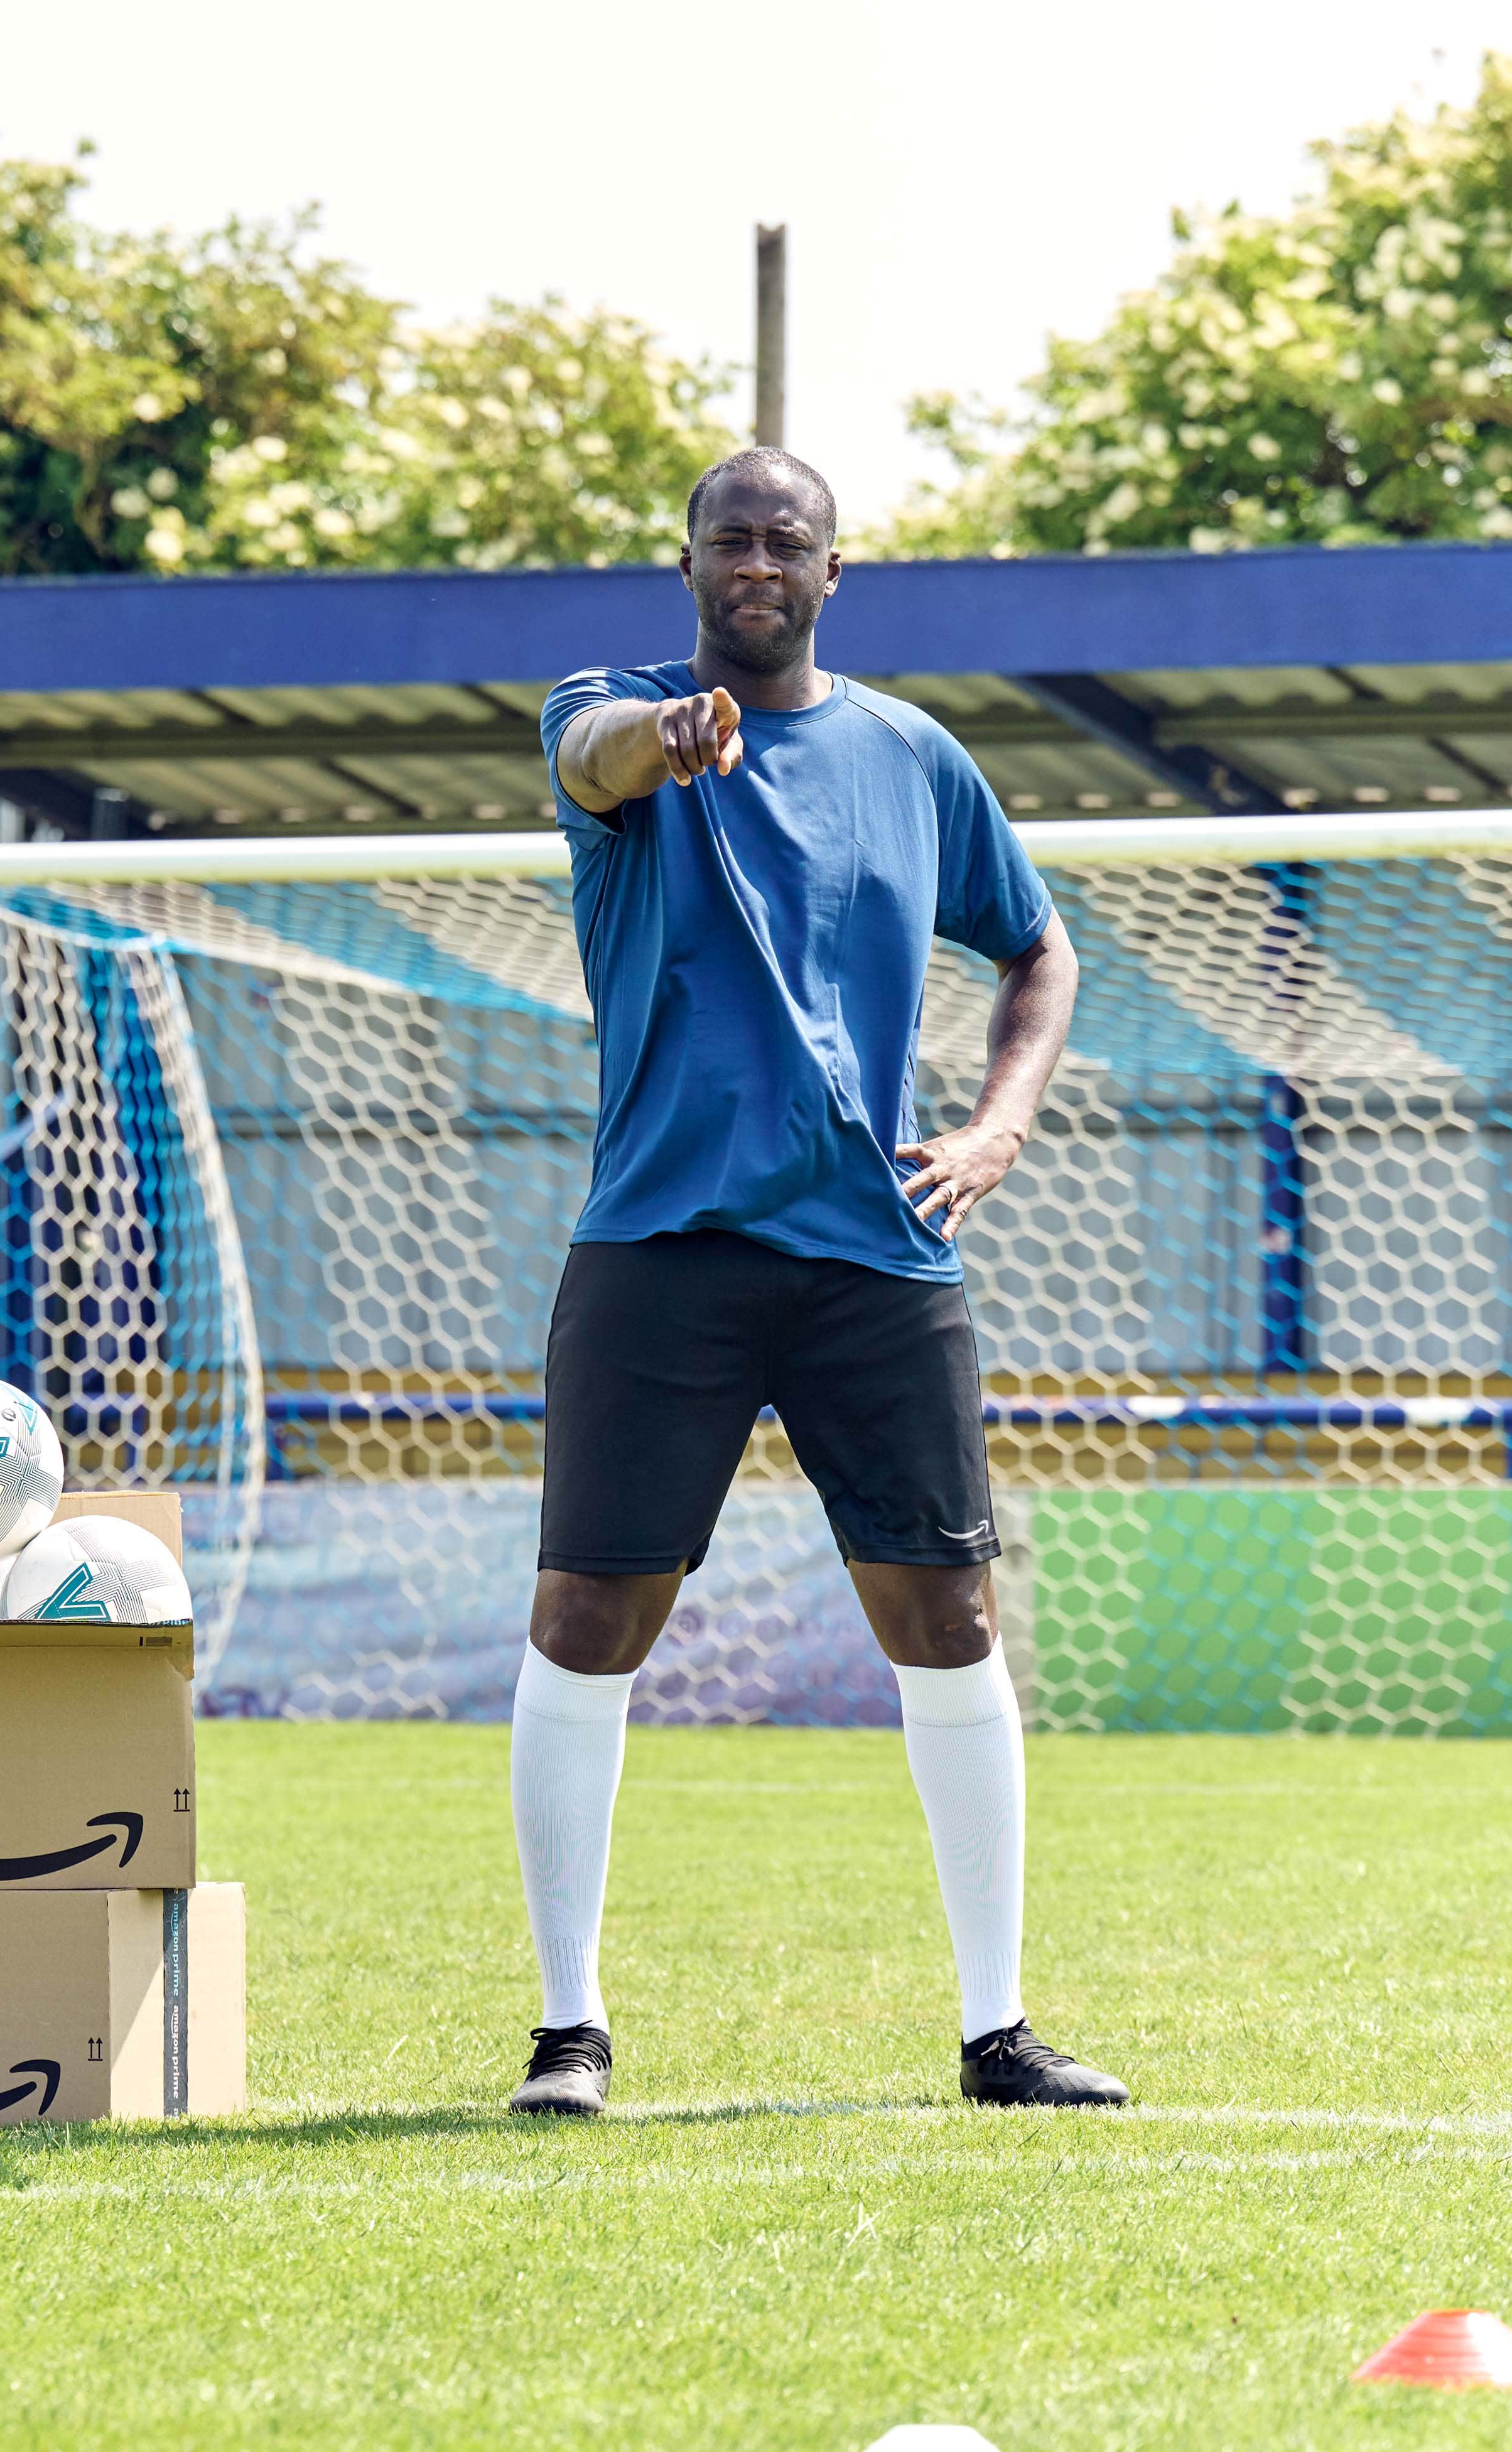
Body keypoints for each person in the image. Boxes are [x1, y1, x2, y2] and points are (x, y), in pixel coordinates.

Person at [506, 446, 1123, 2119]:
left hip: (876, 1253)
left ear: (835, 572)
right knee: (587, 1617)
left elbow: (1039, 945)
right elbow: (594, 757)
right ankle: (571, 2029)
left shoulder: (914, 757)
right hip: (663, 1246)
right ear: (688, 564)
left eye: (788, 542)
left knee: (951, 1615)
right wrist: (669, 736)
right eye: (731, 541)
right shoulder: (618, 708)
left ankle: (998, 2031)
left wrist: (999, 1123)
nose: (758, 562)